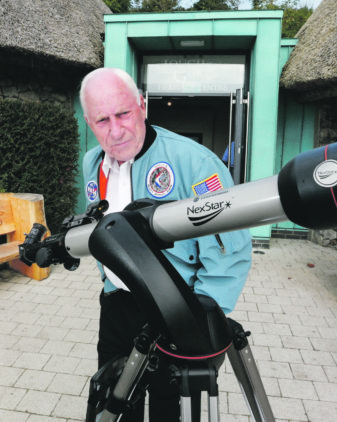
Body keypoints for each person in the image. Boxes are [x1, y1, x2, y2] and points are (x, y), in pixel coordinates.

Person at [79, 67, 253, 421]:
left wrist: (202, 317)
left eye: (123, 113)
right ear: (89, 122)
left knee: (168, 409)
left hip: (174, 309)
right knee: (116, 402)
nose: (115, 130)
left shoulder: (194, 162)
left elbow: (230, 247)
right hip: (116, 306)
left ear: (142, 106)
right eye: (102, 120)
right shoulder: (91, 163)